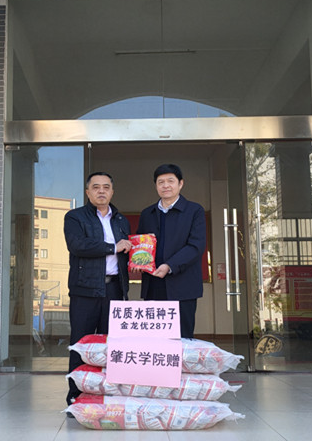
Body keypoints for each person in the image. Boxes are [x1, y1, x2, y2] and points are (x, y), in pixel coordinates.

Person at [63, 172, 132, 407]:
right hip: (85, 289)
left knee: (111, 346)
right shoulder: (75, 217)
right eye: (96, 187)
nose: (101, 191)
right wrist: (113, 247)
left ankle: (107, 395)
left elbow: (127, 250)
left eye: (106, 187)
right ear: (87, 192)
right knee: (81, 344)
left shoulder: (121, 220)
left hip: (114, 290)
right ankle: (76, 397)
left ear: (112, 191)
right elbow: (77, 245)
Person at [136, 163, 206, 339]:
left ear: (180, 184)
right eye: (161, 182)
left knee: (181, 338)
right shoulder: (147, 213)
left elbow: (196, 246)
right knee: (154, 338)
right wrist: (138, 261)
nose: (165, 185)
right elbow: (140, 244)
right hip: (154, 284)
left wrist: (170, 265)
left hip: (183, 285)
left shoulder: (194, 211)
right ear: (156, 185)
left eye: (170, 181)